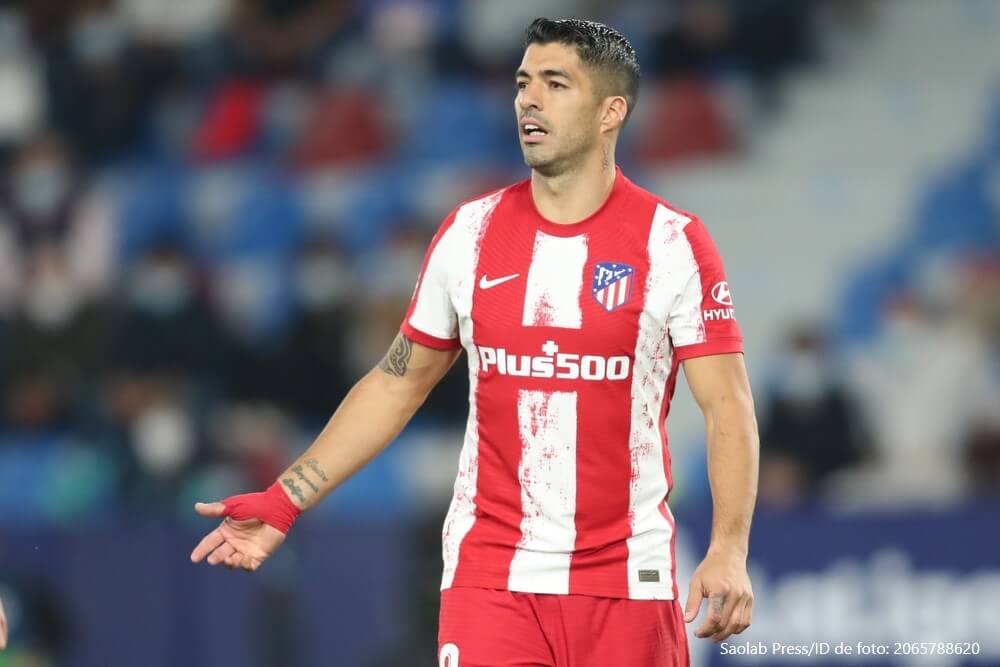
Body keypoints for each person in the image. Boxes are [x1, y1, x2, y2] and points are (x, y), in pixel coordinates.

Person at [191, 18, 758, 666]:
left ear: (611, 111)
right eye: (522, 83)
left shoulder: (673, 243)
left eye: (555, 83)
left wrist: (728, 548)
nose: (528, 100)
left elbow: (727, 407)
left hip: (627, 584)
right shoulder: (470, 233)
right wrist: (285, 498)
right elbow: (397, 381)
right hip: (491, 581)